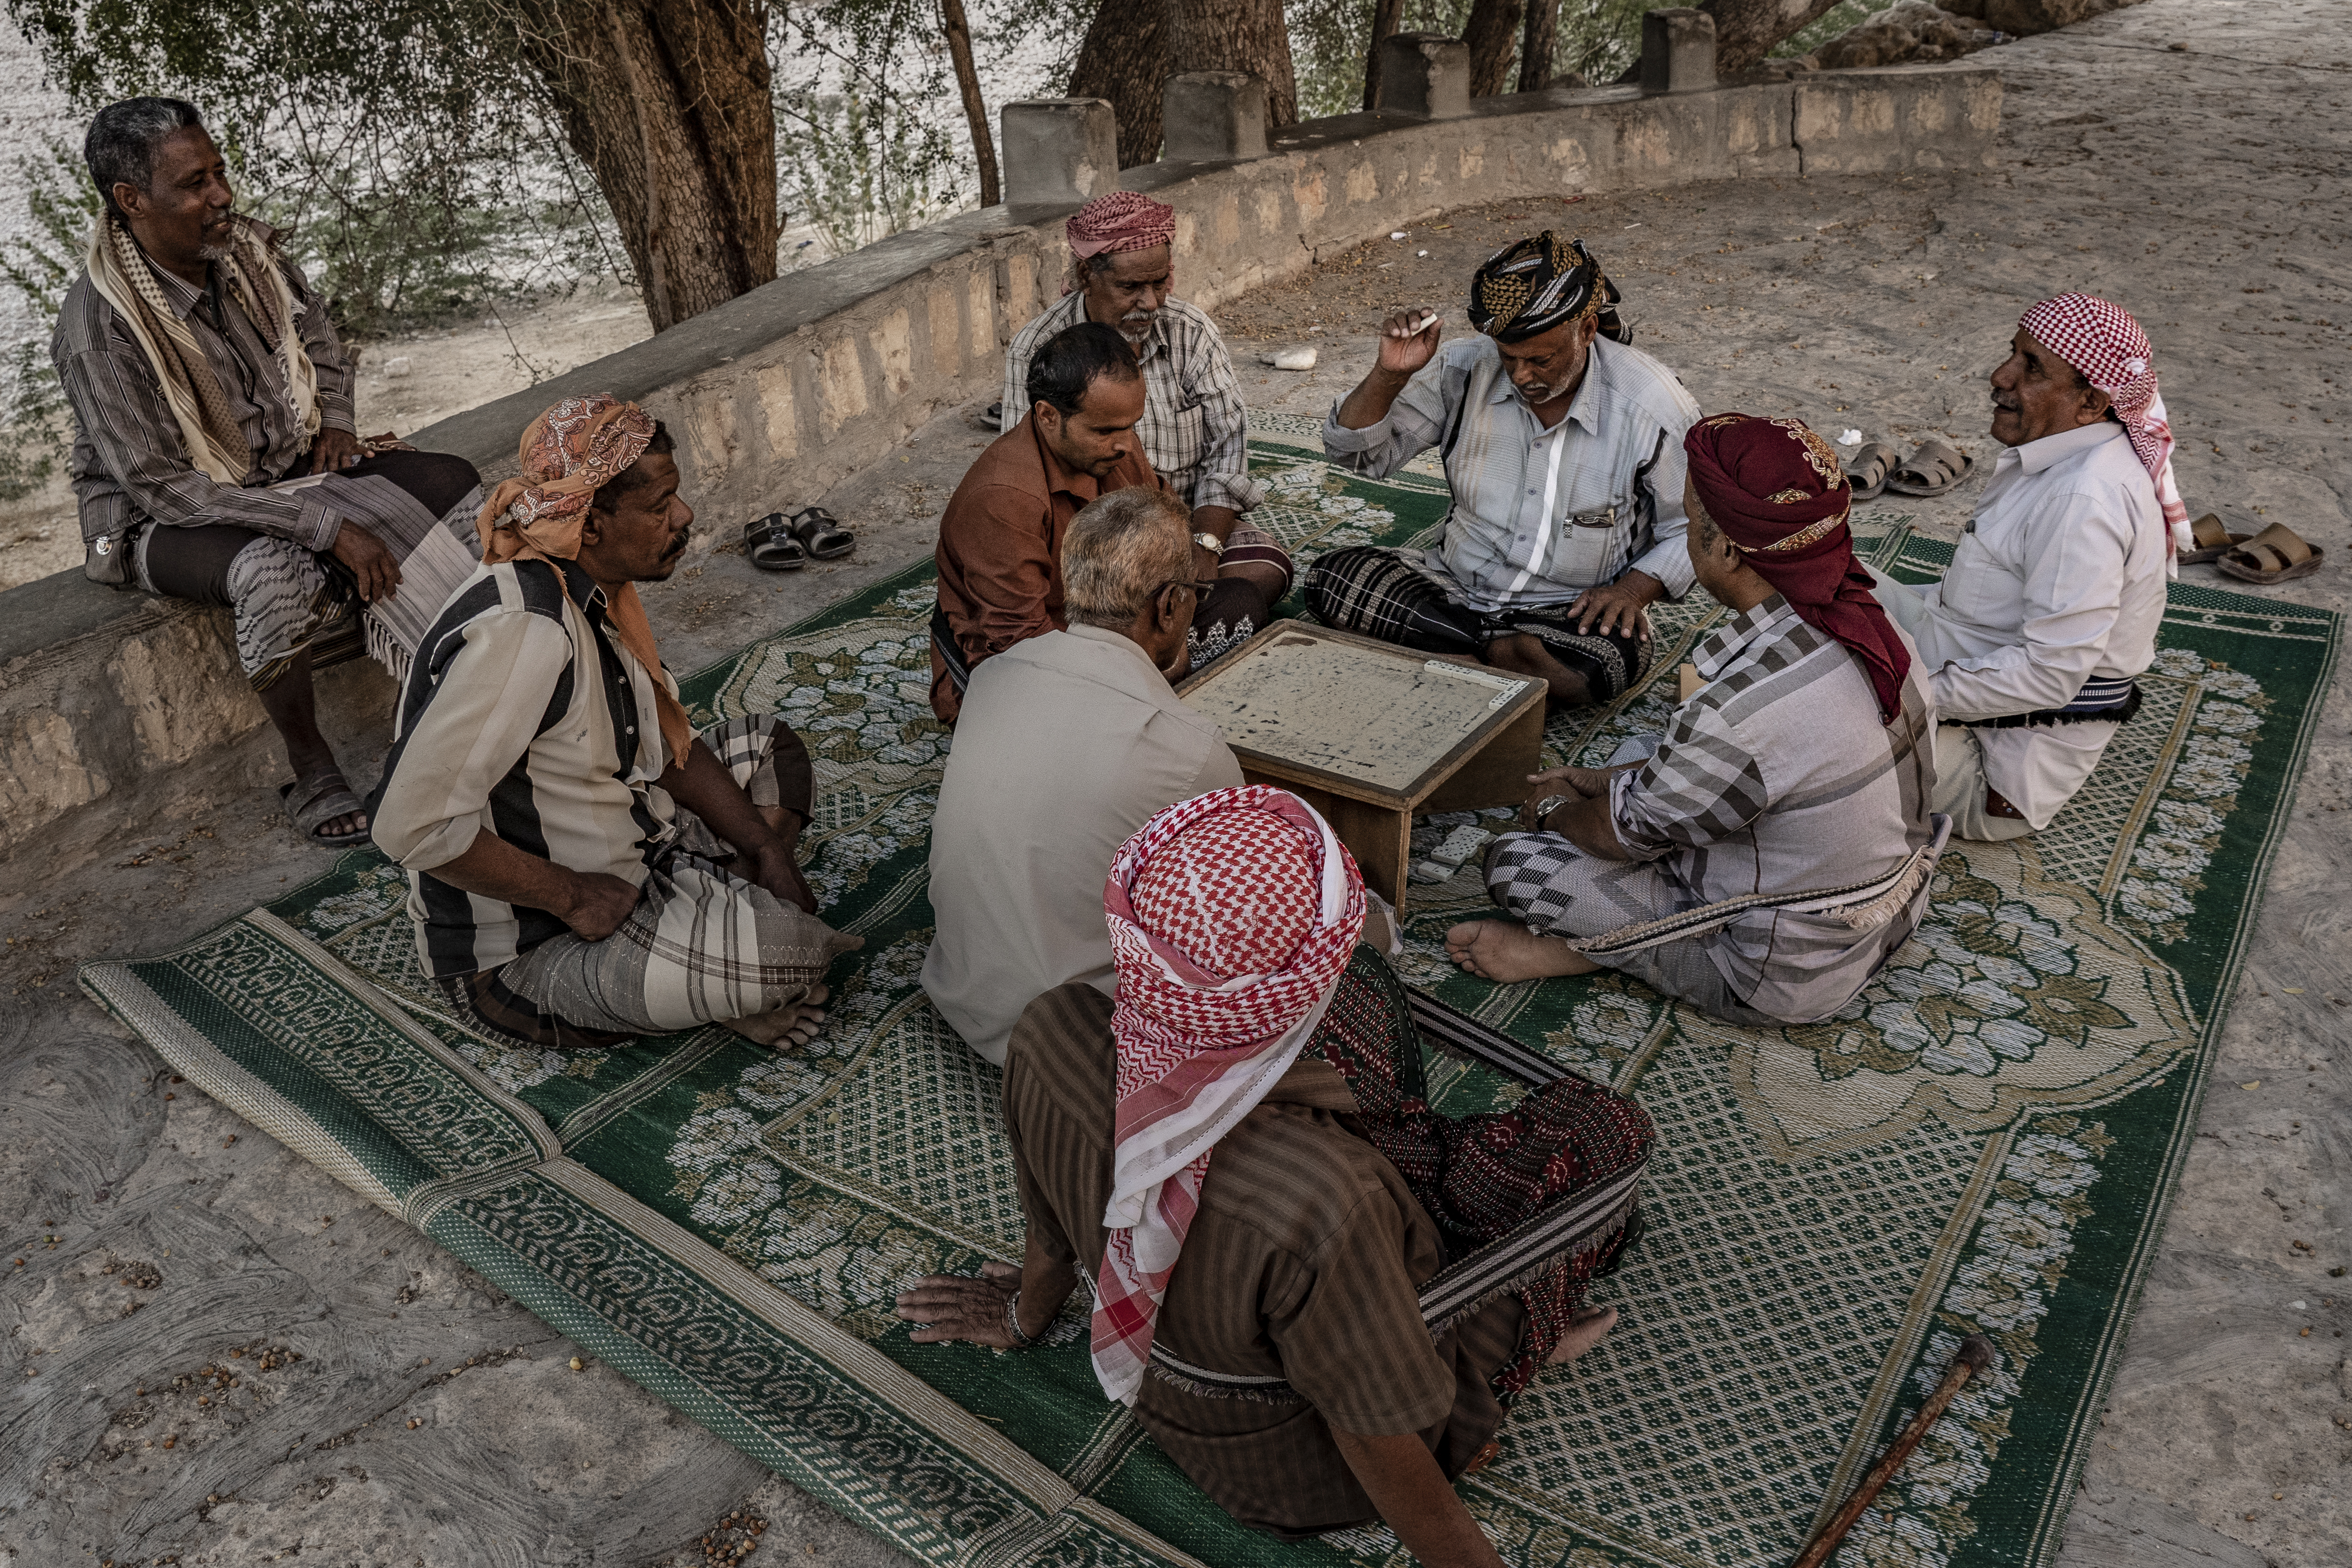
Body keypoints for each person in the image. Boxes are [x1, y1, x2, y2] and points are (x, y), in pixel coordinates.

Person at [896, 787, 1654, 1553]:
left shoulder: (1052, 1026)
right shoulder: (1329, 1199)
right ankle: (1524, 1338)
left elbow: (1053, 1230)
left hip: (1195, 1356)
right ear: (1284, 993)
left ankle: (1421, 1202)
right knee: (1604, 1135)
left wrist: (1025, 1314)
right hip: (1299, 1463)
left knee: (1358, 996)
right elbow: (1381, 1440)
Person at [53, 96, 485, 847]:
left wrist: (340, 428)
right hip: (157, 519)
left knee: (452, 483)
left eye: (219, 172)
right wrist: (327, 524)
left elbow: (319, 337)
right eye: (194, 184)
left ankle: (450, 699)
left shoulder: (246, 251)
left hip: (282, 472)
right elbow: (162, 485)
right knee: (269, 569)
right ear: (131, 201)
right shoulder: (99, 326)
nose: (220, 195)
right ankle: (313, 763)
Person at [369, 396, 859, 1052]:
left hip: (637, 844)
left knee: (771, 746)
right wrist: (572, 897)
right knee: (791, 958)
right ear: (591, 524)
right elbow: (407, 823)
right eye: (660, 508)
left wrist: (768, 850)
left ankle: (703, 933)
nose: (683, 518)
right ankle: (711, 958)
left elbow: (666, 751)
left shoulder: (597, 588)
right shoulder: (528, 634)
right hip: (537, 946)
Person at [1446, 414, 1947, 1027]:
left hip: (1790, 973)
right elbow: (1765, 765)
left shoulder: (1737, 713)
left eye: (1689, 521)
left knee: (1518, 863)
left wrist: (1557, 814)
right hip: (1892, 908)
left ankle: (1603, 953)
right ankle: (1629, 875)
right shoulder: (1877, 623)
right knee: (1641, 755)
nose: (1682, 537)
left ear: (1729, 549)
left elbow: (1613, 835)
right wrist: (1611, 782)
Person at [922, 486, 1242, 1065]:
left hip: (966, 997)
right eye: (1194, 596)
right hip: (1079, 1040)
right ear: (1170, 604)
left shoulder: (994, 678)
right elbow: (1230, 920)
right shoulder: (1188, 748)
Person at [1310, 233, 1699, 709]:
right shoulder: (1462, 367)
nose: (1520, 375)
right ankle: (1497, 668)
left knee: (1600, 663)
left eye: (1539, 359)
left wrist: (1630, 593)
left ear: (1586, 329)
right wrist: (1389, 376)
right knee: (1333, 579)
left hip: (1567, 610)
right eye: (1507, 357)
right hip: (1451, 589)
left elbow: (1693, 529)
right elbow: (1357, 455)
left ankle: (1454, 661)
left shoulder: (1652, 404)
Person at [1867, 294, 2172, 841]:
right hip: (1956, 649)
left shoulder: (2083, 502)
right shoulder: (2066, 453)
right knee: (1808, 571)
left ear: (2091, 402)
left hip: (1993, 764)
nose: (2000, 376)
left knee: (1801, 731)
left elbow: (2051, 674)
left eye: (2030, 368)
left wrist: (1900, 694)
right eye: (2013, 354)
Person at [931, 320, 1291, 723]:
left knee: (1245, 596)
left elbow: (1169, 537)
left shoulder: (1117, 446)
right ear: (1048, 416)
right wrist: (1145, 665)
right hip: (1035, 674)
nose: (1124, 443)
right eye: (1105, 430)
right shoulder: (1002, 500)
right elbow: (1019, 646)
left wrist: (1173, 632)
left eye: (1131, 426)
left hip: (1120, 631)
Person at [1001, 191, 1265, 526]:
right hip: (1091, 531)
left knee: (1263, 571)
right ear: (1086, 277)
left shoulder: (1191, 331)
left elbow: (1228, 452)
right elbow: (1022, 471)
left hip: (1188, 520)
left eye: (1159, 284)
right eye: (1130, 287)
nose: (1152, 303)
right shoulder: (1036, 349)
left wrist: (1206, 545)